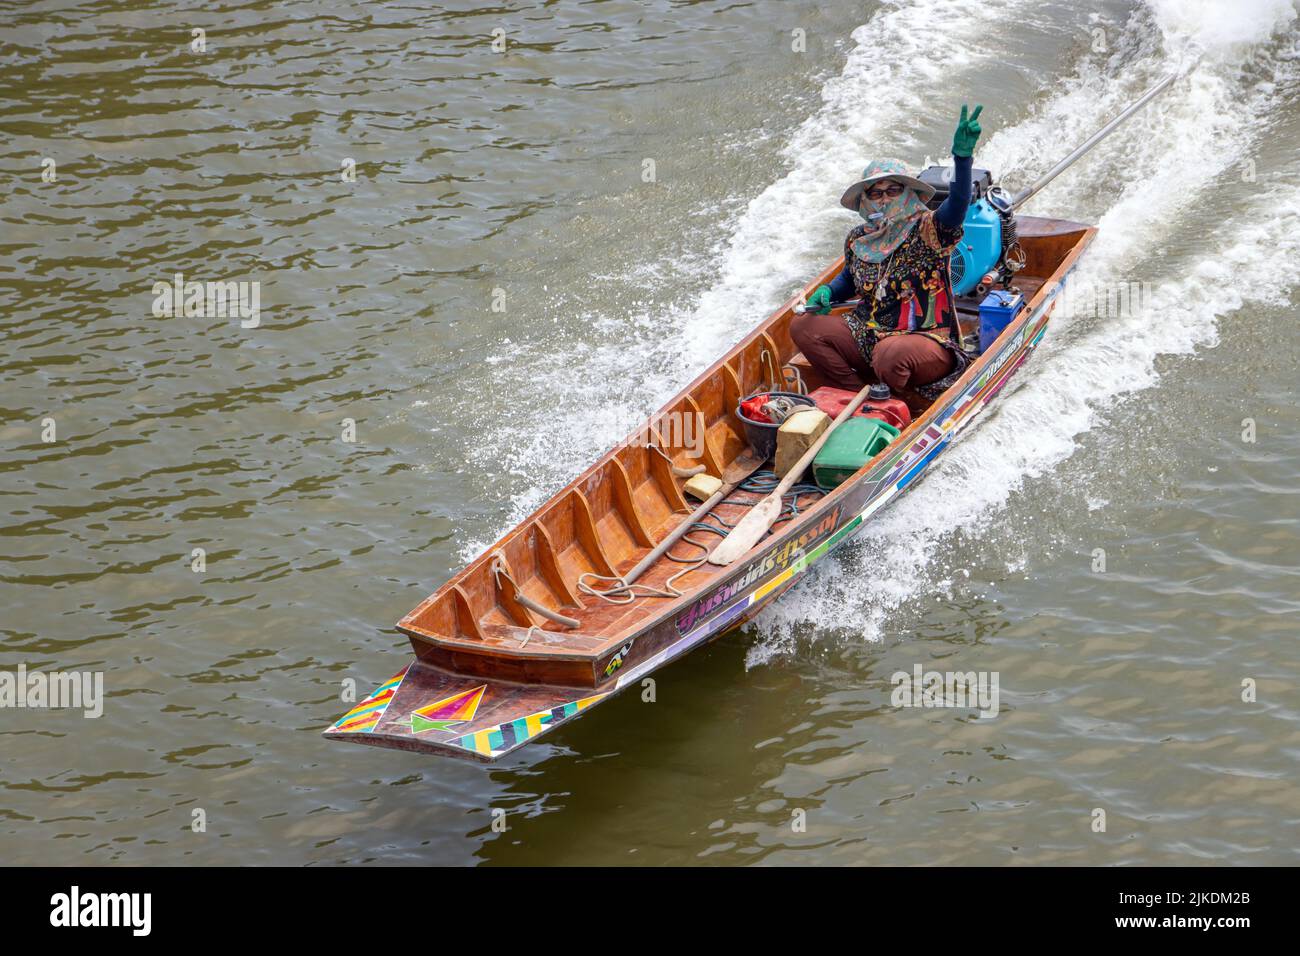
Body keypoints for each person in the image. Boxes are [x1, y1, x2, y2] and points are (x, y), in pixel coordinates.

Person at [792, 105, 983, 403]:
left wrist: (962, 158)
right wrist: (828, 291)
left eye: (893, 191)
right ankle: (858, 396)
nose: (884, 199)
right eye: (876, 193)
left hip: (924, 339)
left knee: (890, 354)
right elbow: (849, 278)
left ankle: (903, 401)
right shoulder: (859, 238)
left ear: (908, 193)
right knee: (804, 327)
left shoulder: (928, 229)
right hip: (868, 333)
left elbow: (958, 204)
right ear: (865, 200)